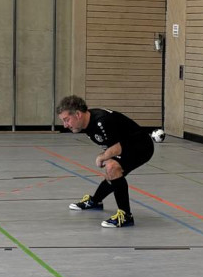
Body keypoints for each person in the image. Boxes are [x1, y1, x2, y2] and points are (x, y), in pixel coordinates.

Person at [57, 95, 154, 228]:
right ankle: (95, 201)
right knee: (112, 171)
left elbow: (119, 147)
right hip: (127, 146)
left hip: (141, 147)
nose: (65, 125)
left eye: (67, 120)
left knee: (113, 167)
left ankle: (125, 216)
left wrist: (102, 157)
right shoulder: (87, 123)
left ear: (78, 114)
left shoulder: (101, 122)